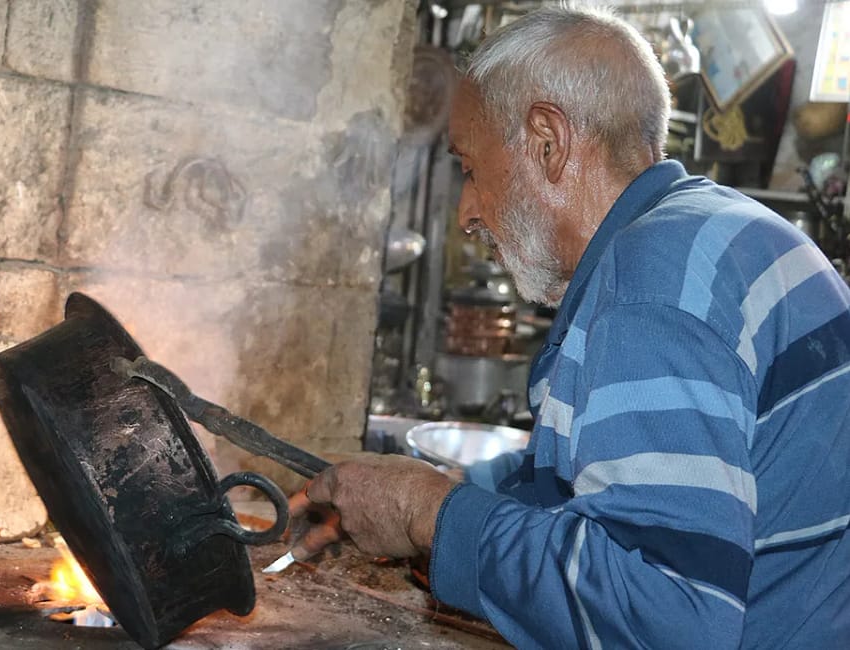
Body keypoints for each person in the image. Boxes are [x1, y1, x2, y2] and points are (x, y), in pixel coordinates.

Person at [291, 5, 850, 648]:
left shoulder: (649, 291)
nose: (468, 212)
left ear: (547, 140)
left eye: (470, 169)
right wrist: (444, 491)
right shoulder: (708, 234)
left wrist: (428, 513)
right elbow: (595, 489)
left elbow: (666, 617)